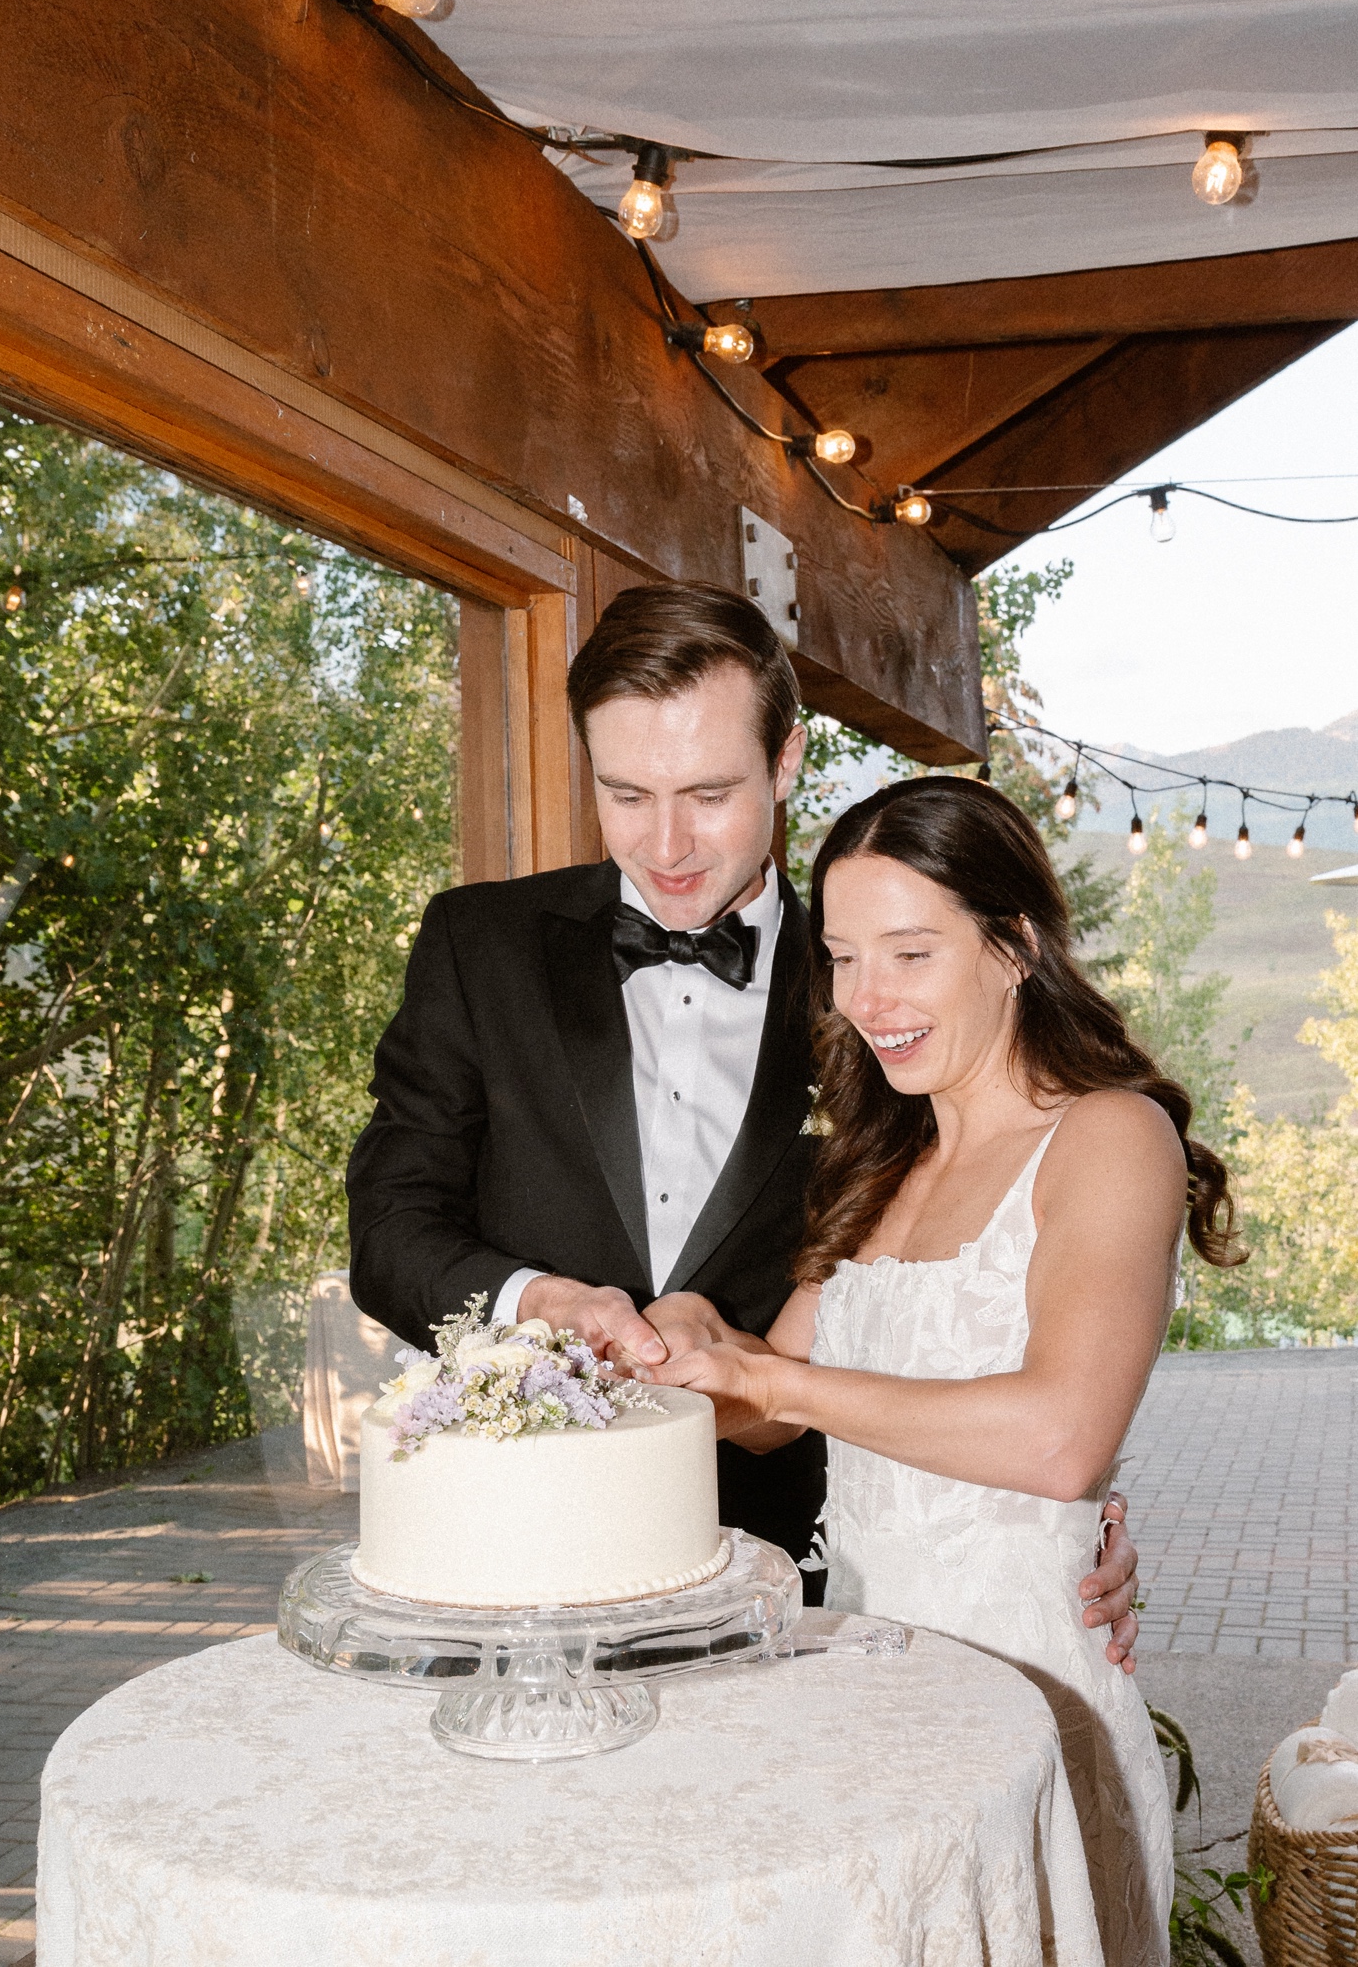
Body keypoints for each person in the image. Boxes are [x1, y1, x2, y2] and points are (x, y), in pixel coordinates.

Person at [347, 584, 1142, 1649]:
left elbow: (1021, 1296)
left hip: (806, 1572)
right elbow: (393, 1231)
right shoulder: (477, 945)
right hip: (523, 1545)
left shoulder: (884, 987)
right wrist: (550, 1305)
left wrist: (1055, 1528)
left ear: (785, 761)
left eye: (709, 793)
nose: (667, 843)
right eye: (626, 794)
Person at [640, 775, 1246, 1965]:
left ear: (1014, 945)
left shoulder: (1112, 1136)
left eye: (910, 954)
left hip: (1031, 1697)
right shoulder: (884, 1161)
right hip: (868, 1692)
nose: (868, 998)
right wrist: (690, 1347)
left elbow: (1060, 1441)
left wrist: (770, 1386)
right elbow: (770, 1407)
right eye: (845, 957)